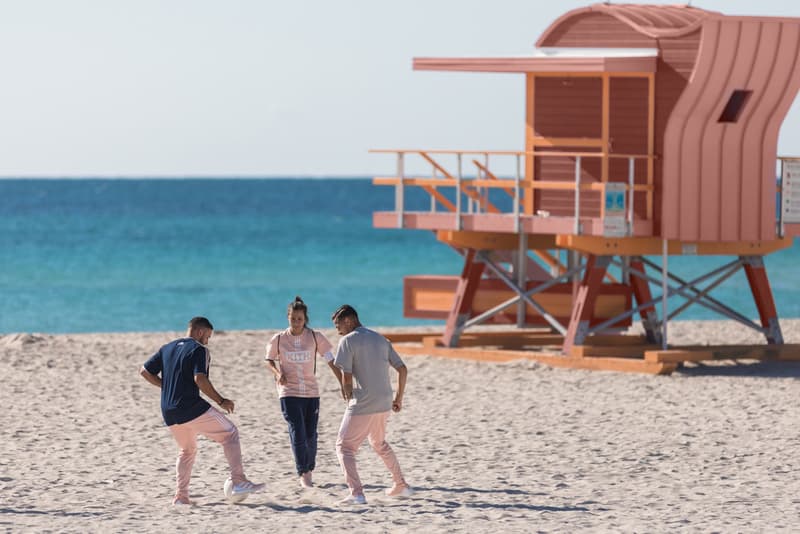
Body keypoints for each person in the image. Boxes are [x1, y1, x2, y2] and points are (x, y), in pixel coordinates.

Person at [140, 316, 264, 505]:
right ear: (199, 332)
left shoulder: (167, 348)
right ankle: (238, 481)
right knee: (230, 433)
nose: (207, 341)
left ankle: (181, 497)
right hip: (189, 406)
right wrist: (221, 400)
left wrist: (167, 387)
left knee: (187, 450)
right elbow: (200, 379)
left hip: (168, 410)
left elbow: (144, 371)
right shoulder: (199, 349)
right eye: (207, 337)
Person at [330, 304, 413, 504]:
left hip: (364, 402)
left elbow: (347, 377)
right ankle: (401, 485)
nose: (338, 331)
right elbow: (402, 369)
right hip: (384, 401)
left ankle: (356, 493)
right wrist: (398, 398)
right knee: (379, 443)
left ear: (349, 320)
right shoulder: (381, 339)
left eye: (338, 325)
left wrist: (347, 395)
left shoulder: (347, 340)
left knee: (344, 447)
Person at [265, 296, 341, 488]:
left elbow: (330, 360)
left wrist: (343, 383)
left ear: (305, 318)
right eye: (293, 318)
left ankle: (309, 467)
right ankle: (303, 472)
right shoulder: (279, 339)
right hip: (288, 392)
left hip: (311, 392)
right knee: (297, 430)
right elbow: (269, 360)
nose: (296, 322)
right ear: (288, 317)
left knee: (310, 435)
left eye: (299, 319)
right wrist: (278, 373)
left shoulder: (315, 337)